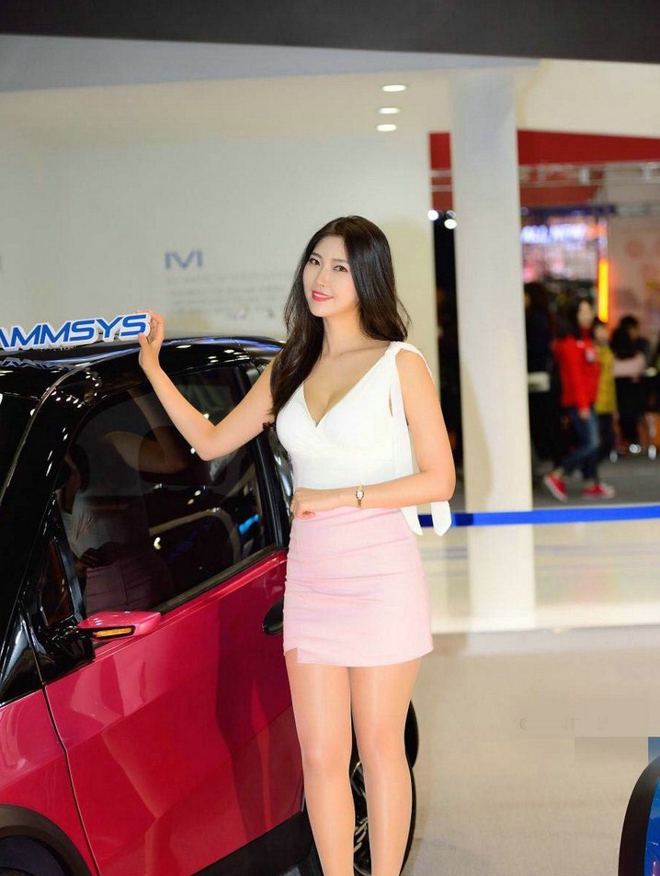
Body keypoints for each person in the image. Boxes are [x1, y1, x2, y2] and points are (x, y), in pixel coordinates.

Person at [137, 216, 456, 876]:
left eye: (340, 266)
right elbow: (211, 441)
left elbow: (440, 478)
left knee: (379, 748)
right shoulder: (289, 365)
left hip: (381, 576)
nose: (321, 277)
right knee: (319, 756)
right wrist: (153, 370)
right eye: (315, 261)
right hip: (313, 581)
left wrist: (343, 497)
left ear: (368, 277)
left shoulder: (399, 363)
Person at [543, 299, 615, 501]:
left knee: (592, 442)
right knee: (592, 442)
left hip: (590, 401)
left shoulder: (587, 341)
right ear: (573, 315)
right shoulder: (569, 343)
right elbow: (574, 378)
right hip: (578, 401)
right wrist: (582, 405)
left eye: (589, 311)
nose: (587, 315)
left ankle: (590, 482)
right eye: (582, 312)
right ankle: (558, 473)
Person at [610, 315, 648, 452]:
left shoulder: (611, 358)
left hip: (618, 400)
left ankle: (622, 442)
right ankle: (635, 441)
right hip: (634, 401)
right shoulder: (639, 357)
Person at [592, 318, 617, 462]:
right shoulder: (591, 351)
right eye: (600, 330)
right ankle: (589, 470)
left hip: (607, 403)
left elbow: (610, 381)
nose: (603, 334)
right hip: (594, 402)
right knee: (596, 441)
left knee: (608, 441)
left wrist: (614, 406)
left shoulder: (608, 351)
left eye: (605, 330)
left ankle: (591, 469)